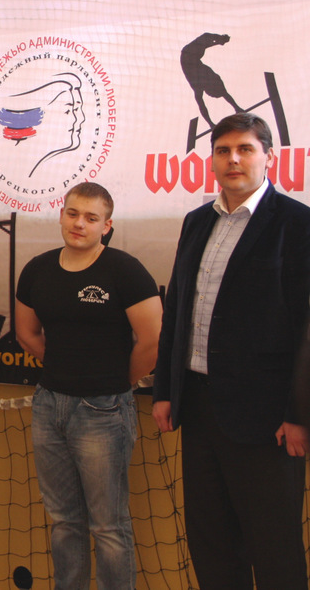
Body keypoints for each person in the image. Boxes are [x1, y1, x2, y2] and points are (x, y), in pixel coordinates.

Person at [153, 112, 310, 589]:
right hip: (199, 409)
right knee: (213, 546)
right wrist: (166, 390)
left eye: (245, 149)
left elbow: (306, 328)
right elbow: (177, 309)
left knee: (275, 551)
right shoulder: (197, 222)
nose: (233, 159)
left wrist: (299, 413)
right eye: (223, 151)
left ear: (269, 157)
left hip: (269, 420)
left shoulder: (297, 223)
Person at [16, 182, 161, 590]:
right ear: (62, 214)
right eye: (73, 213)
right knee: (64, 522)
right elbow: (27, 333)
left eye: (91, 218)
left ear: (106, 226)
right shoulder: (38, 269)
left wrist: (116, 382)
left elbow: (152, 340)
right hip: (48, 406)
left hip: (105, 410)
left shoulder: (125, 270)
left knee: (108, 526)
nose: (79, 223)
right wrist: (64, 367)